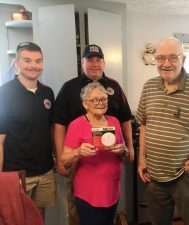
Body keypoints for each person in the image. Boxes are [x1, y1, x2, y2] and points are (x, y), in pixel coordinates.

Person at [136, 37, 189, 225]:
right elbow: (144, 123)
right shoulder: (149, 86)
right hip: (155, 174)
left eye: (172, 58)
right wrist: (142, 158)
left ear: (183, 59)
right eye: (160, 58)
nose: (166, 64)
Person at [53, 44, 133, 225]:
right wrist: (62, 158)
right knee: (77, 212)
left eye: (98, 60)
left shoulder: (114, 87)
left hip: (111, 180)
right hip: (81, 168)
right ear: (82, 63)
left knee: (108, 217)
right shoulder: (69, 88)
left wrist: (127, 149)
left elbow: (125, 119)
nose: (95, 64)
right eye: (90, 60)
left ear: (104, 63)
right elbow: (59, 124)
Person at [0, 42, 56, 220]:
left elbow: (51, 129)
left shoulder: (47, 93)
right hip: (17, 174)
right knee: (18, 219)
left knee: (39, 218)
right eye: (27, 60)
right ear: (17, 63)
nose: (34, 65)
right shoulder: (4, 93)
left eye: (38, 61)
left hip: (45, 172)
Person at [61, 82, 127, 225]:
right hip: (89, 193)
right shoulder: (76, 125)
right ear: (85, 104)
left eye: (103, 99)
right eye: (95, 100)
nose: (100, 103)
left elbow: (124, 152)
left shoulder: (114, 122)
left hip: (112, 189)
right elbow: (64, 160)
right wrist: (77, 152)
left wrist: (122, 150)